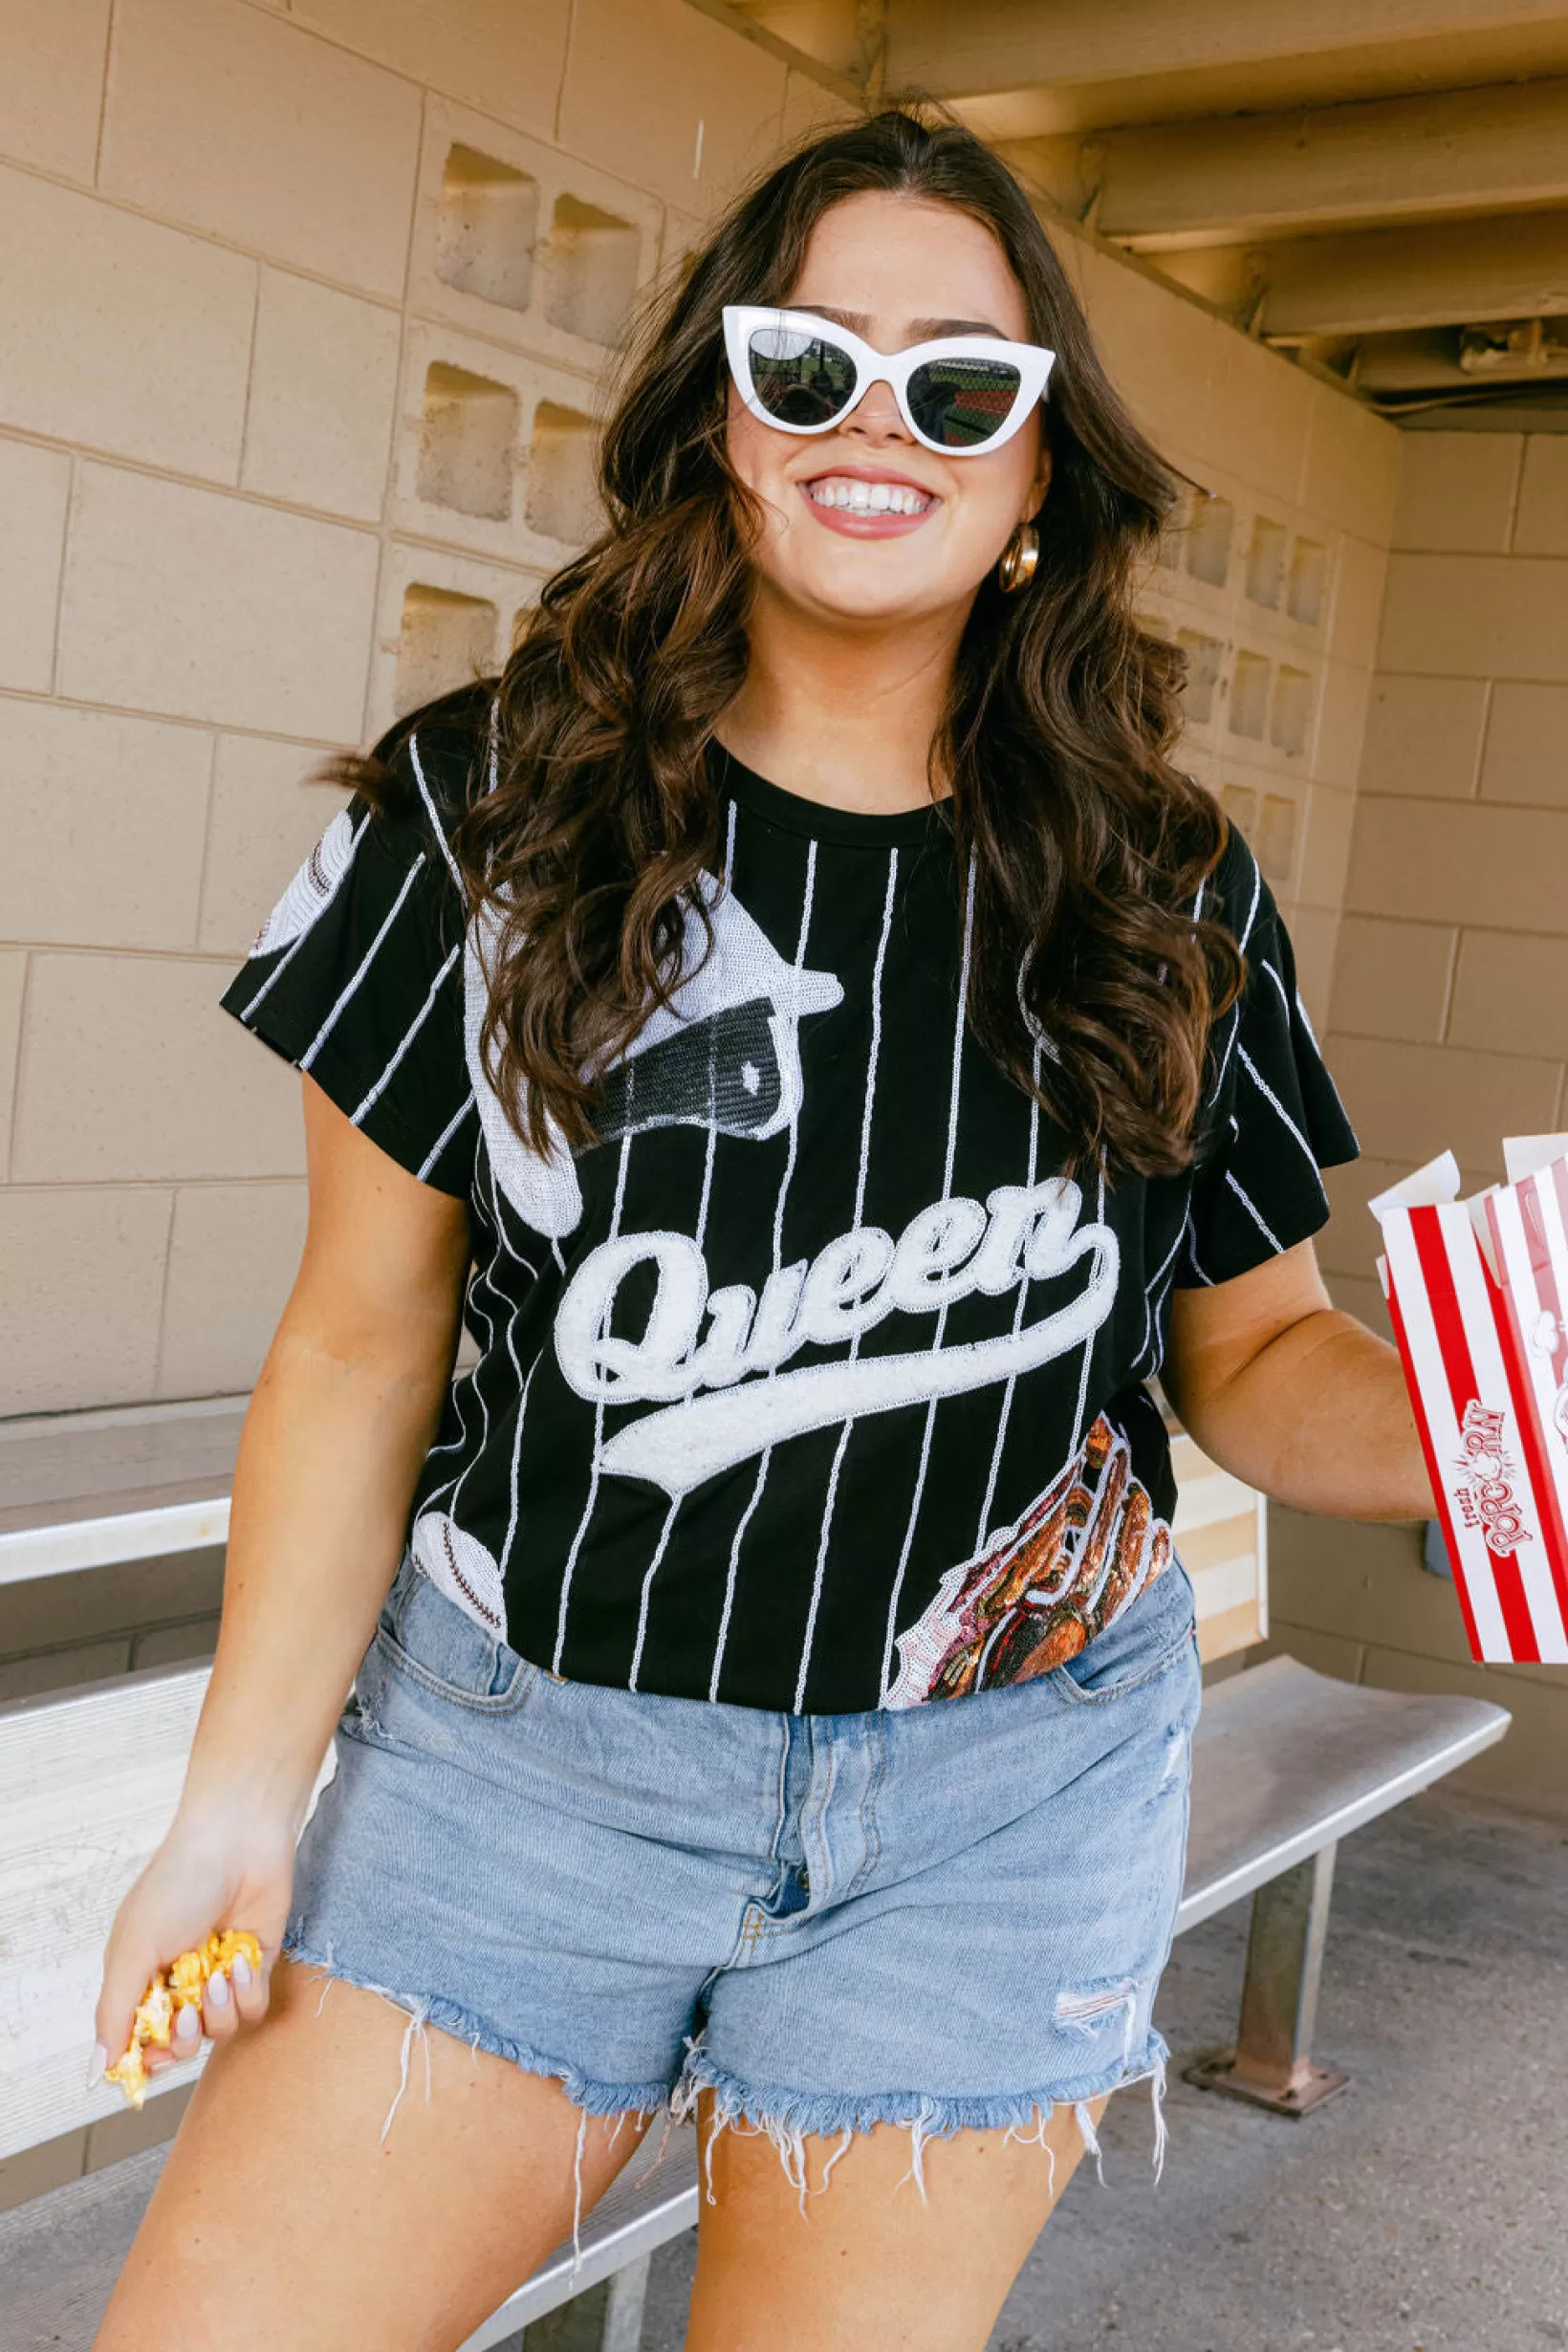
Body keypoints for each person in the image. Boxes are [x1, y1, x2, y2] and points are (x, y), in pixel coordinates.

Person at [89, 105, 1434, 2352]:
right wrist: (233, 1806)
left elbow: (1253, 1364)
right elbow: (354, 1345)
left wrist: (1498, 1438)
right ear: (724, 421)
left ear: (1034, 480)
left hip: (1001, 1803)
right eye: (808, 363)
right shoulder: (489, 811)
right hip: (526, 1771)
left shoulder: (1166, 891)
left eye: (960, 382)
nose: (876, 421)